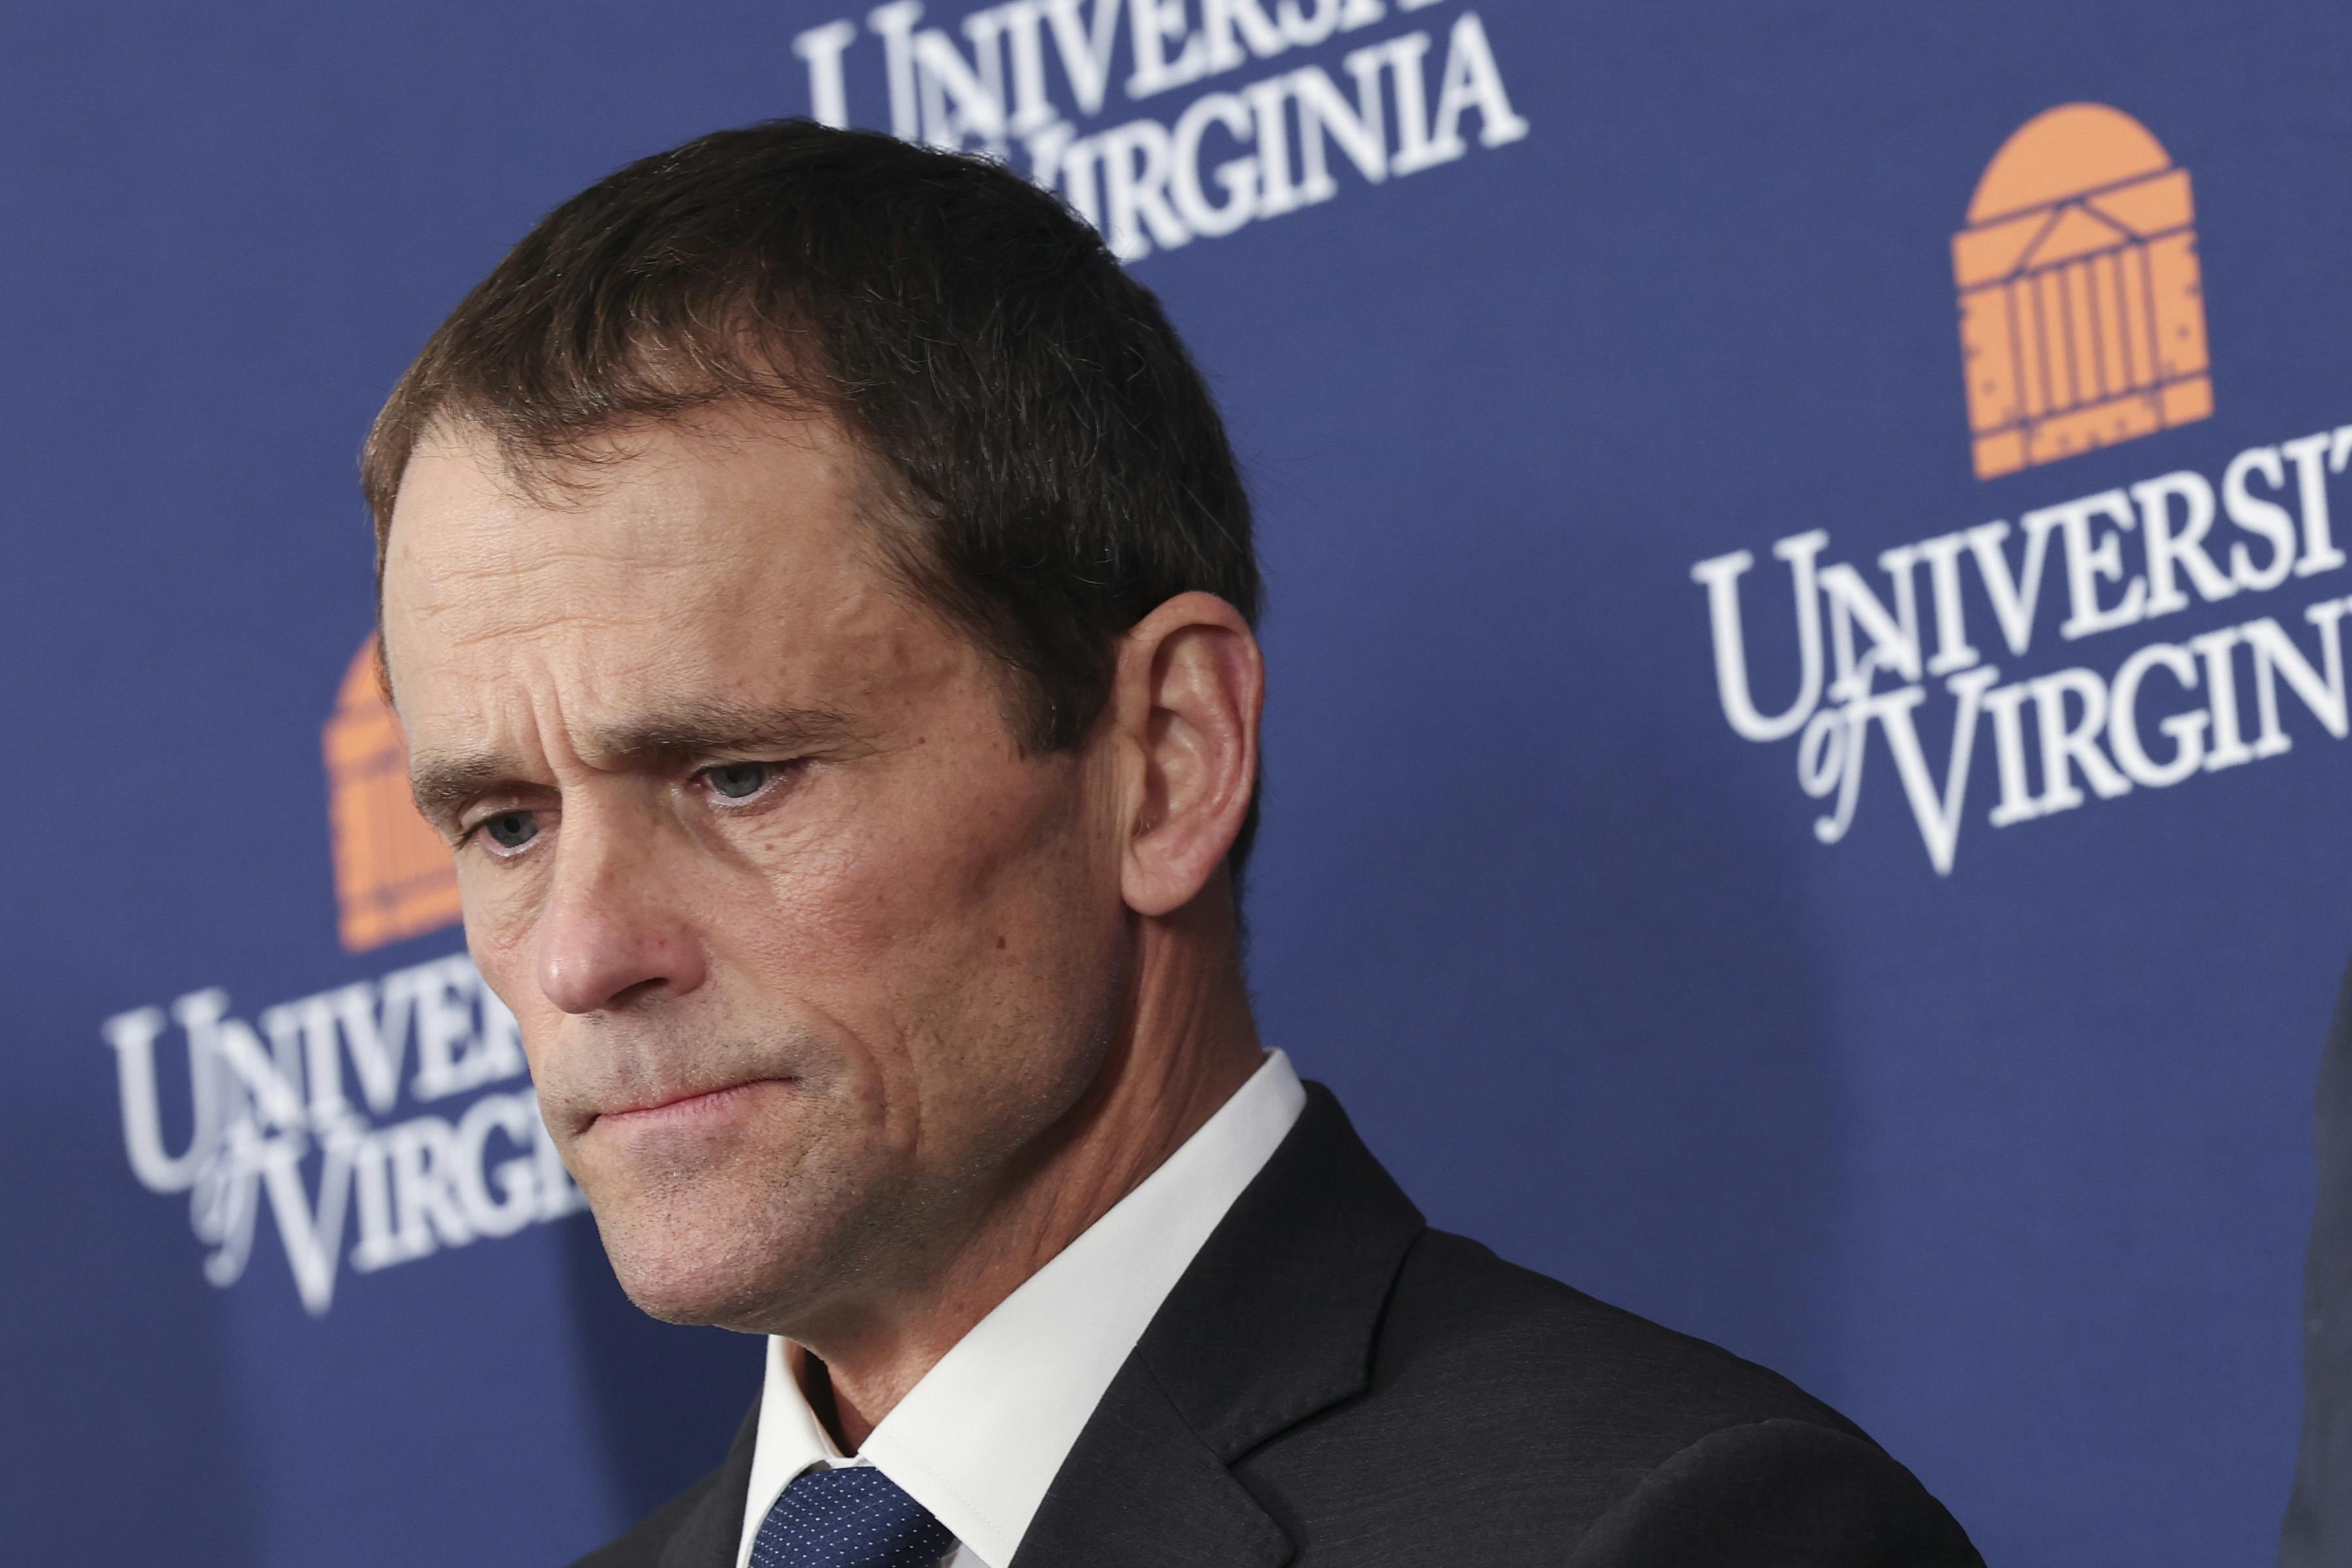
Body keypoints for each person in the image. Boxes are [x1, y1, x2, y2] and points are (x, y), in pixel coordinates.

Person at [368, 119, 1982, 1568]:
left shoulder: (1671, 1532)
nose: (582, 952)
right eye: (505, 823)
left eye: (736, 777)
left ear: (1163, 760)